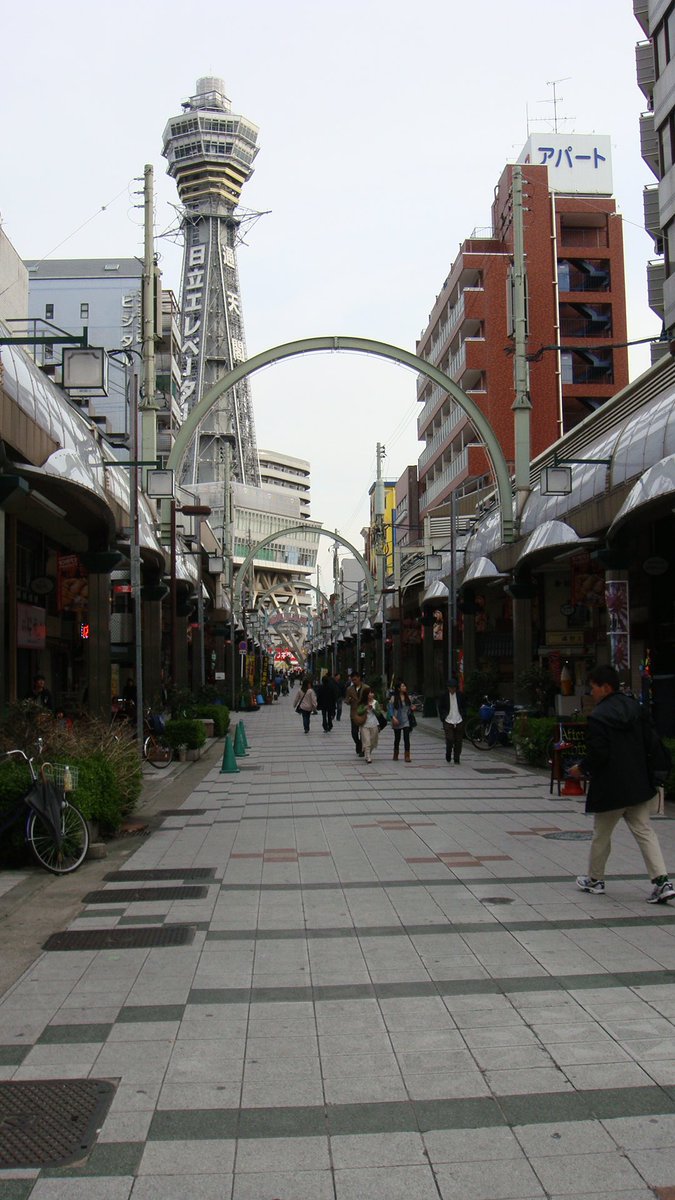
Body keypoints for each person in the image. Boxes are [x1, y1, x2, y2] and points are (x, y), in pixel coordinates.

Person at [569, 664, 675, 904]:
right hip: (638, 785)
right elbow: (652, 743)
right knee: (645, 832)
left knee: (601, 835)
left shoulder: (598, 716)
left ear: (605, 688)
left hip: (611, 788)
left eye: (593, 688)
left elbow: (599, 754)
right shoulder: (636, 709)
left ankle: (595, 880)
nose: (591, 692)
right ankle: (662, 882)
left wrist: (581, 768)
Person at [437, 678, 466, 764]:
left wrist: (464, 715)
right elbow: (440, 707)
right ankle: (448, 752)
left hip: (459, 719)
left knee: (458, 740)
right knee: (449, 739)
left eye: (454, 688)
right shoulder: (444, 696)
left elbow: (464, 706)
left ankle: (456, 758)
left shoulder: (460, 695)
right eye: (450, 688)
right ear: (448, 688)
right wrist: (443, 717)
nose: (452, 689)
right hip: (448, 719)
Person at [389, 680, 414, 762]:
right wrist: (393, 717)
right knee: (397, 738)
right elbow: (390, 709)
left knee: (407, 738)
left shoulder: (408, 698)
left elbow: (409, 709)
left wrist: (412, 708)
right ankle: (395, 754)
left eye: (405, 686)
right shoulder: (393, 698)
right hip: (397, 720)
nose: (405, 687)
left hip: (406, 720)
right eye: (402, 686)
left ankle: (407, 755)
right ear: (399, 688)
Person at [358, 687, 381, 764]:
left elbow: (379, 713)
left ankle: (368, 753)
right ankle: (368, 756)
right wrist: (365, 708)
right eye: (369, 693)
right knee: (367, 741)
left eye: (372, 693)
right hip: (364, 724)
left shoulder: (375, 702)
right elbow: (359, 712)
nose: (371, 694)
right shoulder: (363, 703)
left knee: (373, 741)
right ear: (366, 694)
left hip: (374, 724)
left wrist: (373, 709)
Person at [345, 671, 366, 756]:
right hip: (354, 713)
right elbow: (346, 700)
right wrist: (349, 700)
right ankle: (358, 743)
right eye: (352, 680)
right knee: (354, 733)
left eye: (355, 679)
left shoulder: (366, 688)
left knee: (363, 732)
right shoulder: (349, 689)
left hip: (364, 712)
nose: (354, 681)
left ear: (359, 678)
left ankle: (362, 749)